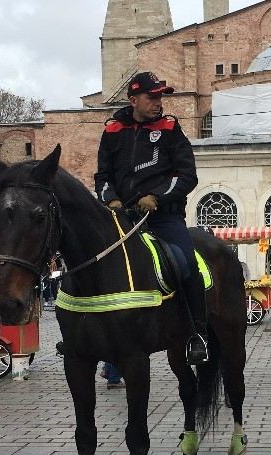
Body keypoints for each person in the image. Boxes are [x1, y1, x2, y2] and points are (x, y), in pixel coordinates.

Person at [94, 72, 207, 365]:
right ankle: (91, 332)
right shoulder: (112, 131)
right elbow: (102, 176)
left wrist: (155, 197)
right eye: (152, 97)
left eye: (160, 97)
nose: (158, 102)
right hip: (123, 217)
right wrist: (112, 200)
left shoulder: (170, 128)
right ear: (133, 100)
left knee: (186, 264)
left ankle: (198, 334)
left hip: (163, 218)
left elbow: (187, 175)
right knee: (96, 262)